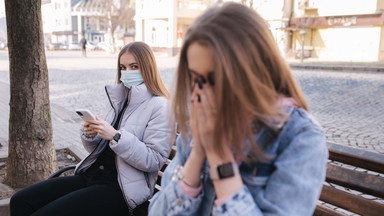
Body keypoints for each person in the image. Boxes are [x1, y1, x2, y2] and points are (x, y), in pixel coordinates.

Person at [148, 2, 328, 216]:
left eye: (215, 79)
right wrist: (197, 154)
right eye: (196, 78)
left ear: (254, 71)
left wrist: (219, 158)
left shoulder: (299, 137)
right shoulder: (200, 126)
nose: (203, 92)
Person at [10, 41, 174, 216]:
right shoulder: (119, 98)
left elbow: (155, 160)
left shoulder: (160, 106)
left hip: (121, 189)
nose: (127, 72)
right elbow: (101, 148)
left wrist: (116, 137)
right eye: (123, 67)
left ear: (147, 68)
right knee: (20, 200)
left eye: (134, 66)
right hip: (92, 175)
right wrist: (92, 135)